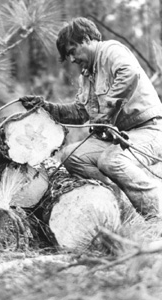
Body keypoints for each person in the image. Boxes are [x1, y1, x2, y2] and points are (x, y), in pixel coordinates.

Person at [21, 17, 162, 218]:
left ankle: (157, 214)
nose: (71, 60)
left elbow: (129, 73)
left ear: (86, 39)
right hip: (120, 138)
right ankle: (120, 207)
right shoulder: (87, 74)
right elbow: (79, 113)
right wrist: (46, 107)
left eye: (72, 51)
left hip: (150, 130)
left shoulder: (111, 50)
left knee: (111, 161)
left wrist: (108, 111)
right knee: (72, 155)